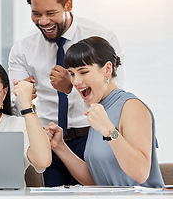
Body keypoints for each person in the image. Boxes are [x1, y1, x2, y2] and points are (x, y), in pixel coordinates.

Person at [8, 0, 125, 186]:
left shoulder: (102, 38)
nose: (43, 21)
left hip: (91, 138)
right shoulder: (23, 47)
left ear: (68, 4)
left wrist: (72, 88)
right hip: (48, 141)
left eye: (50, 13)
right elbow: (18, 103)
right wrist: (24, 98)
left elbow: (115, 99)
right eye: (36, 13)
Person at [46, 36, 164, 187]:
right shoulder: (99, 108)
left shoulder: (131, 106)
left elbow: (140, 173)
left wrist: (108, 130)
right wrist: (59, 146)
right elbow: (96, 180)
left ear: (107, 69)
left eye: (83, 72)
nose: (75, 81)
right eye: (72, 74)